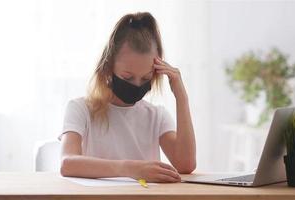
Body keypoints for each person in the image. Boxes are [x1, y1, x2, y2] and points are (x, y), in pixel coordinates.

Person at [59, 12, 196, 183]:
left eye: (146, 78)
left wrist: (181, 97)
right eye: (127, 77)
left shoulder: (156, 116)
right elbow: (67, 164)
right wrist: (130, 169)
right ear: (108, 67)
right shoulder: (80, 109)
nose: (137, 85)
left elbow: (185, 165)